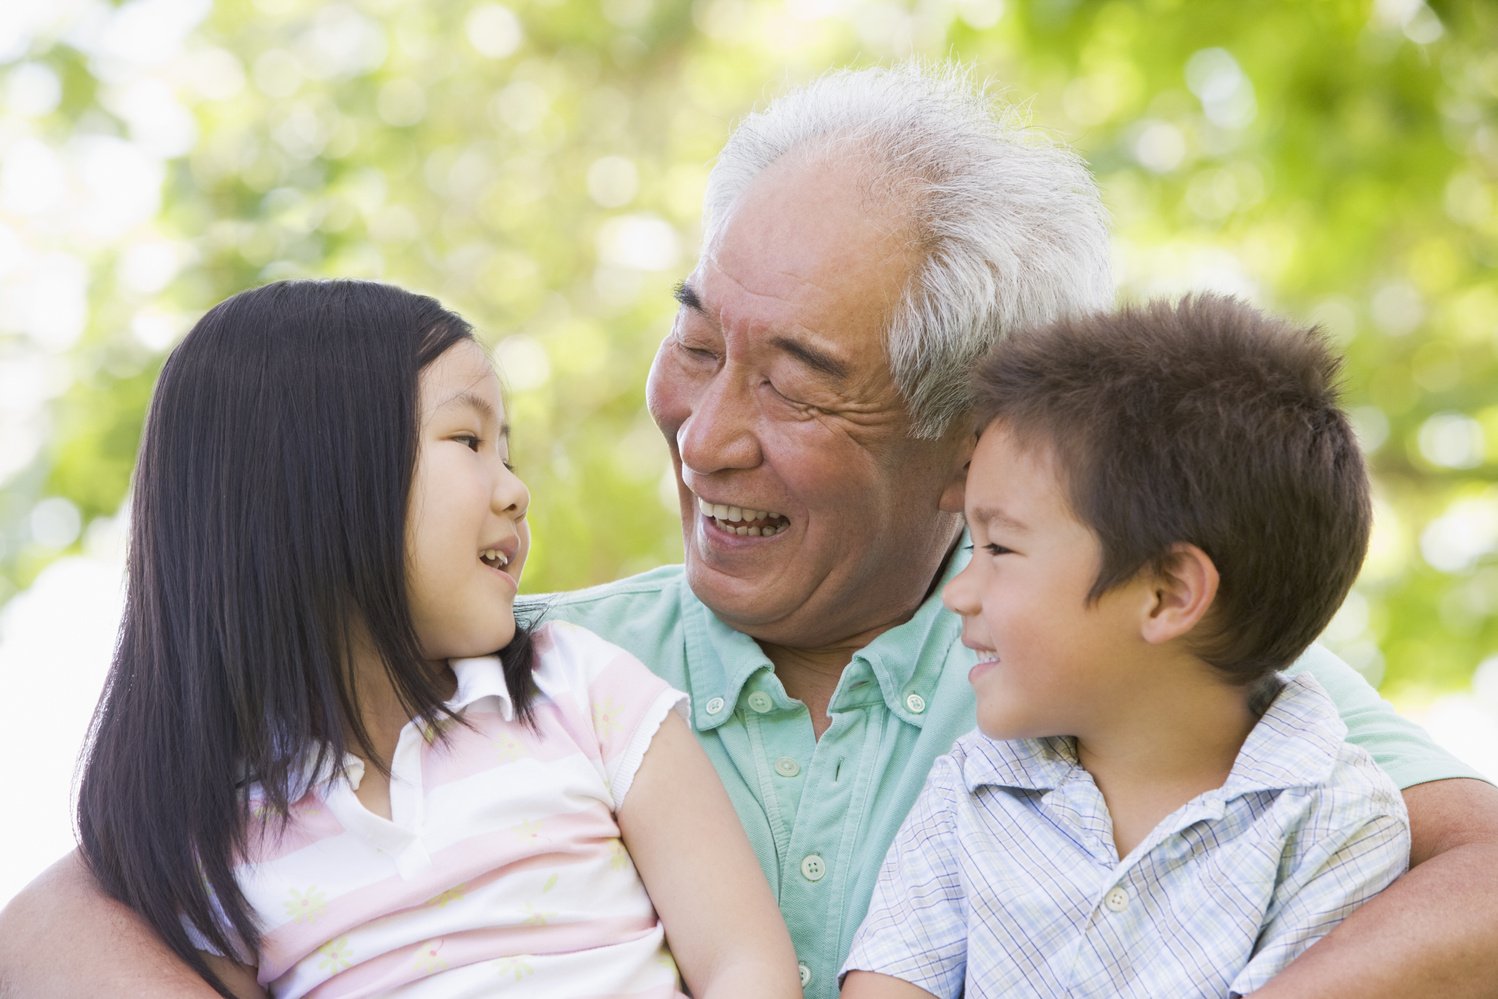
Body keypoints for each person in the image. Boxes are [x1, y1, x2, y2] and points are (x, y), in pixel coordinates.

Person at [3, 65, 1497, 999]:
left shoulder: (1097, 662)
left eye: (794, 383)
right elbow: (74, 911)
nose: (704, 428)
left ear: (970, 439)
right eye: (698, 341)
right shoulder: (543, 669)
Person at [63, 279, 799, 998]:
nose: (515, 489)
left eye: (504, 451)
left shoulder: (581, 689)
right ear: (320, 486)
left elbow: (744, 961)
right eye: (469, 439)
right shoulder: (210, 848)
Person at [840, 295, 1410, 998]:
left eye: (1000, 546)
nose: (960, 592)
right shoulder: (970, 788)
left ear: (1168, 593)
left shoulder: (1337, 824)